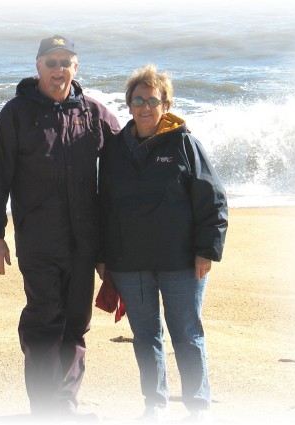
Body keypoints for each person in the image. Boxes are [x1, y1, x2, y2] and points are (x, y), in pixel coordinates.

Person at [0, 35, 120, 422]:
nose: (58, 69)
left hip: (84, 242)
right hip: (39, 240)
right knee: (44, 320)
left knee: (75, 324)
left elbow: (125, 167)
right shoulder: (16, 114)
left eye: (66, 61)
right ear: (37, 66)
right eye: (51, 61)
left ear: (77, 67)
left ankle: (65, 406)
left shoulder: (92, 113)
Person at [98, 64, 228, 423]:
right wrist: (102, 256)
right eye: (137, 100)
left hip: (182, 262)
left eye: (152, 100)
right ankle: (154, 407)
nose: (144, 107)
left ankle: (197, 408)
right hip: (129, 261)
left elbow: (213, 199)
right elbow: (103, 205)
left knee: (186, 334)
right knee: (145, 337)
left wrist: (207, 251)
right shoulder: (114, 149)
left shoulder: (185, 143)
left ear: (165, 104)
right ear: (129, 105)